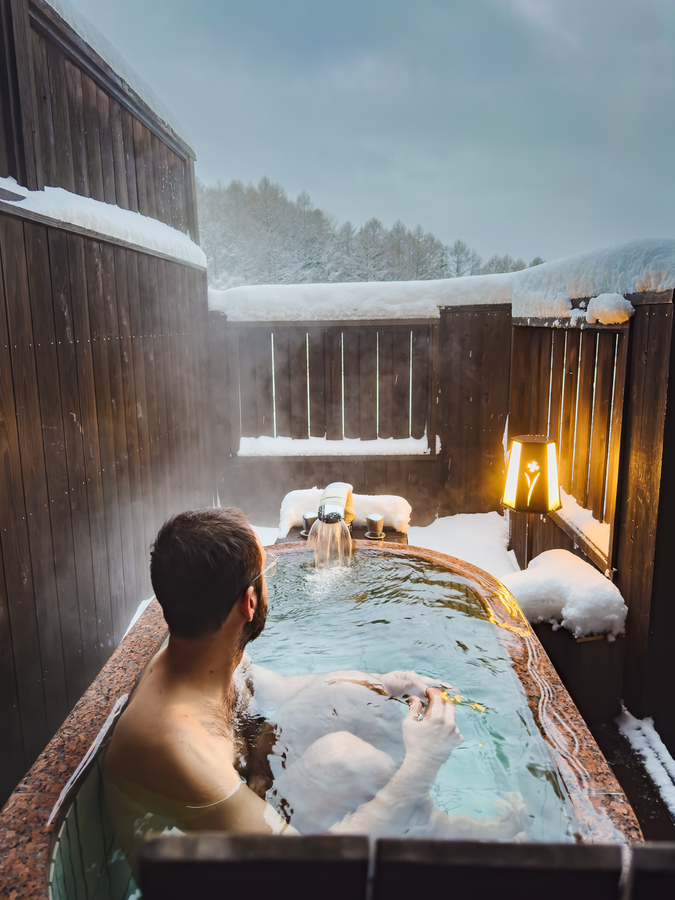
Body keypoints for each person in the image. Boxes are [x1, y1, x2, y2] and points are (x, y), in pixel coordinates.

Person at [104, 507, 523, 855]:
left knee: (350, 702)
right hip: (226, 874)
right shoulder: (177, 744)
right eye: (265, 575)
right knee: (348, 759)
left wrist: (383, 683)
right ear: (249, 604)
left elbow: (288, 691)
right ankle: (432, 830)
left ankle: (435, 826)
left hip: (249, 786)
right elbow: (298, 868)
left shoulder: (200, 653)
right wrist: (422, 764)